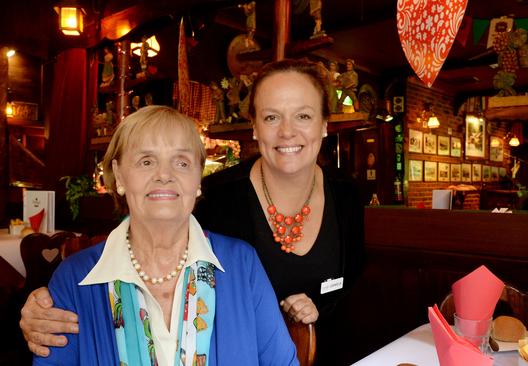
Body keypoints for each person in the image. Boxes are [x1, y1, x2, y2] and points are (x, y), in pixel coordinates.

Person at [20, 60, 365, 365]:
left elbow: (351, 290)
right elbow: (146, 228)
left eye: (303, 115)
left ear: (324, 124)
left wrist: (307, 317)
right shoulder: (217, 198)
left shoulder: (345, 197)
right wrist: (40, 303)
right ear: (255, 127)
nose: (165, 175)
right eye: (272, 116)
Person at [29, 105, 297, 365]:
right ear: (119, 176)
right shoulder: (74, 279)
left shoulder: (242, 263)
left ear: (198, 180)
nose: (165, 175)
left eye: (181, 162)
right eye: (146, 161)